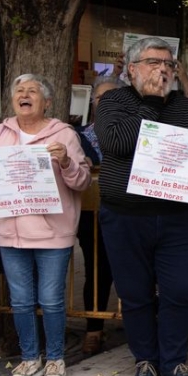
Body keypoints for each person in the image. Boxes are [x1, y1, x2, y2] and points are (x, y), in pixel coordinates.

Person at [95, 36, 188, 376]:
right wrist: (151, 105)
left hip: (174, 217)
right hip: (125, 216)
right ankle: (145, 360)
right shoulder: (114, 102)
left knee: (178, 291)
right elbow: (116, 142)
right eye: (153, 63)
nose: (163, 70)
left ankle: (174, 361)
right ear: (132, 69)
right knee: (135, 292)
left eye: (168, 65)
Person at [0, 75, 90, 376]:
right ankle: (29, 359)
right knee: (21, 301)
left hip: (54, 232)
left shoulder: (64, 133)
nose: (24, 95)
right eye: (19, 91)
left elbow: (82, 182)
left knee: (51, 300)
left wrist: (66, 162)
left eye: (32, 91)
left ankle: (54, 358)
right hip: (12, 230)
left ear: (46, 101)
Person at [76, 75, 119, 355]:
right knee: (96, 272)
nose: (107, 102)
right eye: (102, 97)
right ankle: (94, 329)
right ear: (93, 103)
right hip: (93, 216)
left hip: (130, 213)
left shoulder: (139, 132)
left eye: (114, 97)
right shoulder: (77, 136)